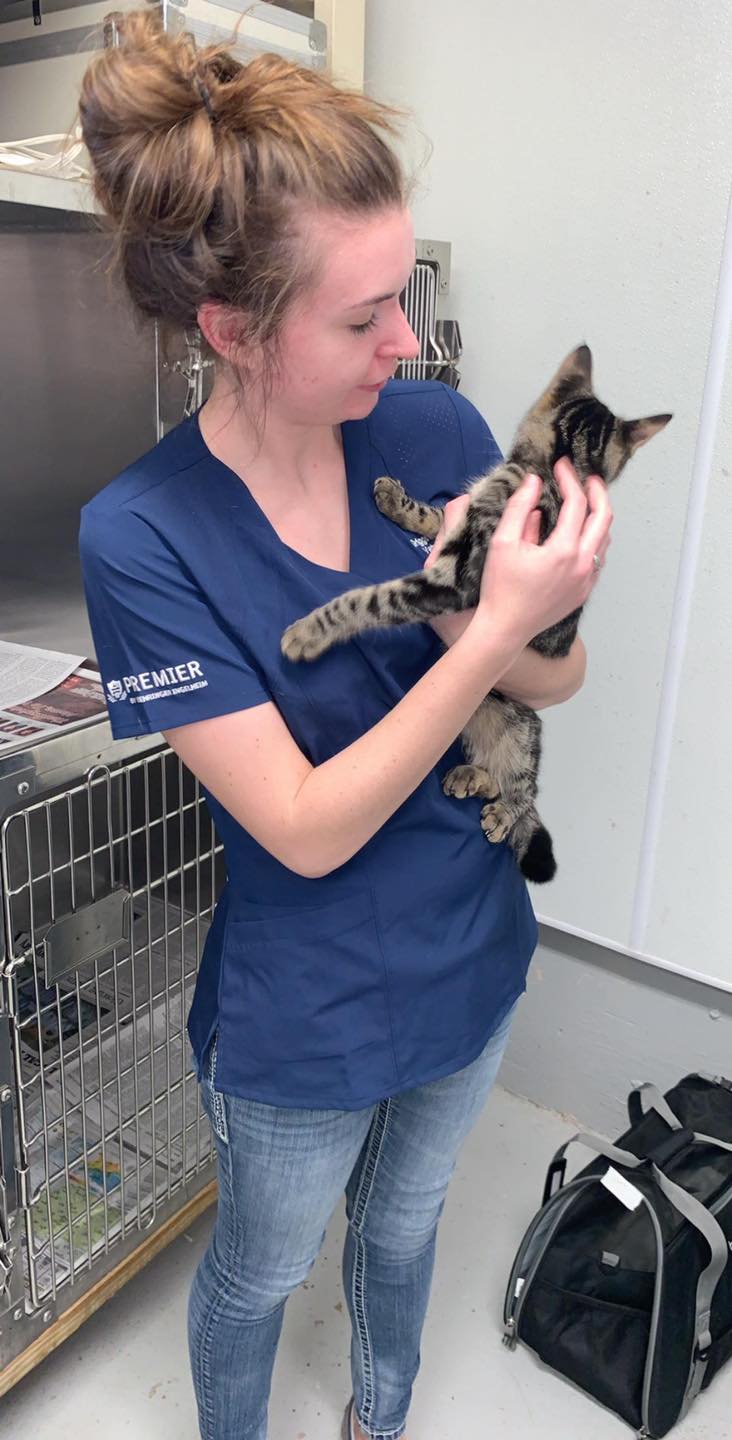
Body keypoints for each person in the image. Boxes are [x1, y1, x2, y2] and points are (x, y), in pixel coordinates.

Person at [77, 15, 612, 1440]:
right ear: (236, 332)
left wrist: (534, 615)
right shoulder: (144, 537)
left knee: (406, 1222)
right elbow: (304, 831)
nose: (408, 342)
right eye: (364, 315)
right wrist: (483, 631)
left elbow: (552, 685)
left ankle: (381, 1414)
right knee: (258, 1273)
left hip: (473, 951)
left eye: (405, 297)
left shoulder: (430, 431)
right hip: (303, 1013)